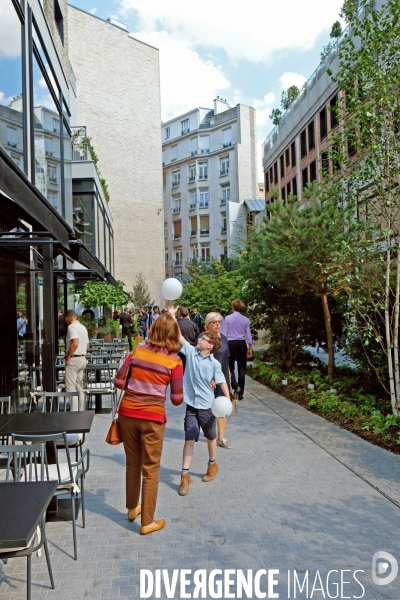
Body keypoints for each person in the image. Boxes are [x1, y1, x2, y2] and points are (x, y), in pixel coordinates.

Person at [115, 314, 184, 535]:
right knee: (151, 469)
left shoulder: (137, 351)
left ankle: (132, 508)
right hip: (153, 417)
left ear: (152, 330)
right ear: (174, 334)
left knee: (132, 464)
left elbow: (118, 381)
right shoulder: (175, 361)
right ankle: (147, 521)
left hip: (127, 413)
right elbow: (176, 399)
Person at [166, 302, 230, 497]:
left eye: (202, 338)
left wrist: (227, 400)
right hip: (192, 407)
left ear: (209, 346)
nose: (198, 338)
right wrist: (171, 316)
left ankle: (212, 465)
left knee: (211, 438)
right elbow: (178, 336)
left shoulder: (214, 364)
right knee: (189, 439)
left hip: (208, 408)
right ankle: (185, 476)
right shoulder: (191, 352)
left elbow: (222, 383)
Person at [204, 311, 231, 449]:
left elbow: (226, 358)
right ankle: (209, 433)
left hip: (223, 378)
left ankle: (221, 437)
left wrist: (229, 374)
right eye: (214, 322)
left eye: (219, 322)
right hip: (209, 379)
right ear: (208, 324)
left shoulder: (224, 338)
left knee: (223, 406)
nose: (217, 324)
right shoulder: (205, 339)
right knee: (208, 407)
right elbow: (202, 359)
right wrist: (210, 377)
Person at [224, 299, 253, 400]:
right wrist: (250, 348)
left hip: (231, 343)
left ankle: (234, 384)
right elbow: (249, 336)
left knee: (230, 366)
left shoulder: (227, 319)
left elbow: (224, 333)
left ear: (233, 307)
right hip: (241, 344)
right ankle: (240, 393)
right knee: (242, 368)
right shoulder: (245, 319)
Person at [65, 309, 89, 411]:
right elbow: (87, 345)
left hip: (74, 360)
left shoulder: (71, 327)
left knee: (71, 388)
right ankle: (81, 411)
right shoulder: (83, 327)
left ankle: (73, 414)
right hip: (83, 359)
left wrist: (68, 356)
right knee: (79, 386)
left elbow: (75, 343)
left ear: (67, 318)